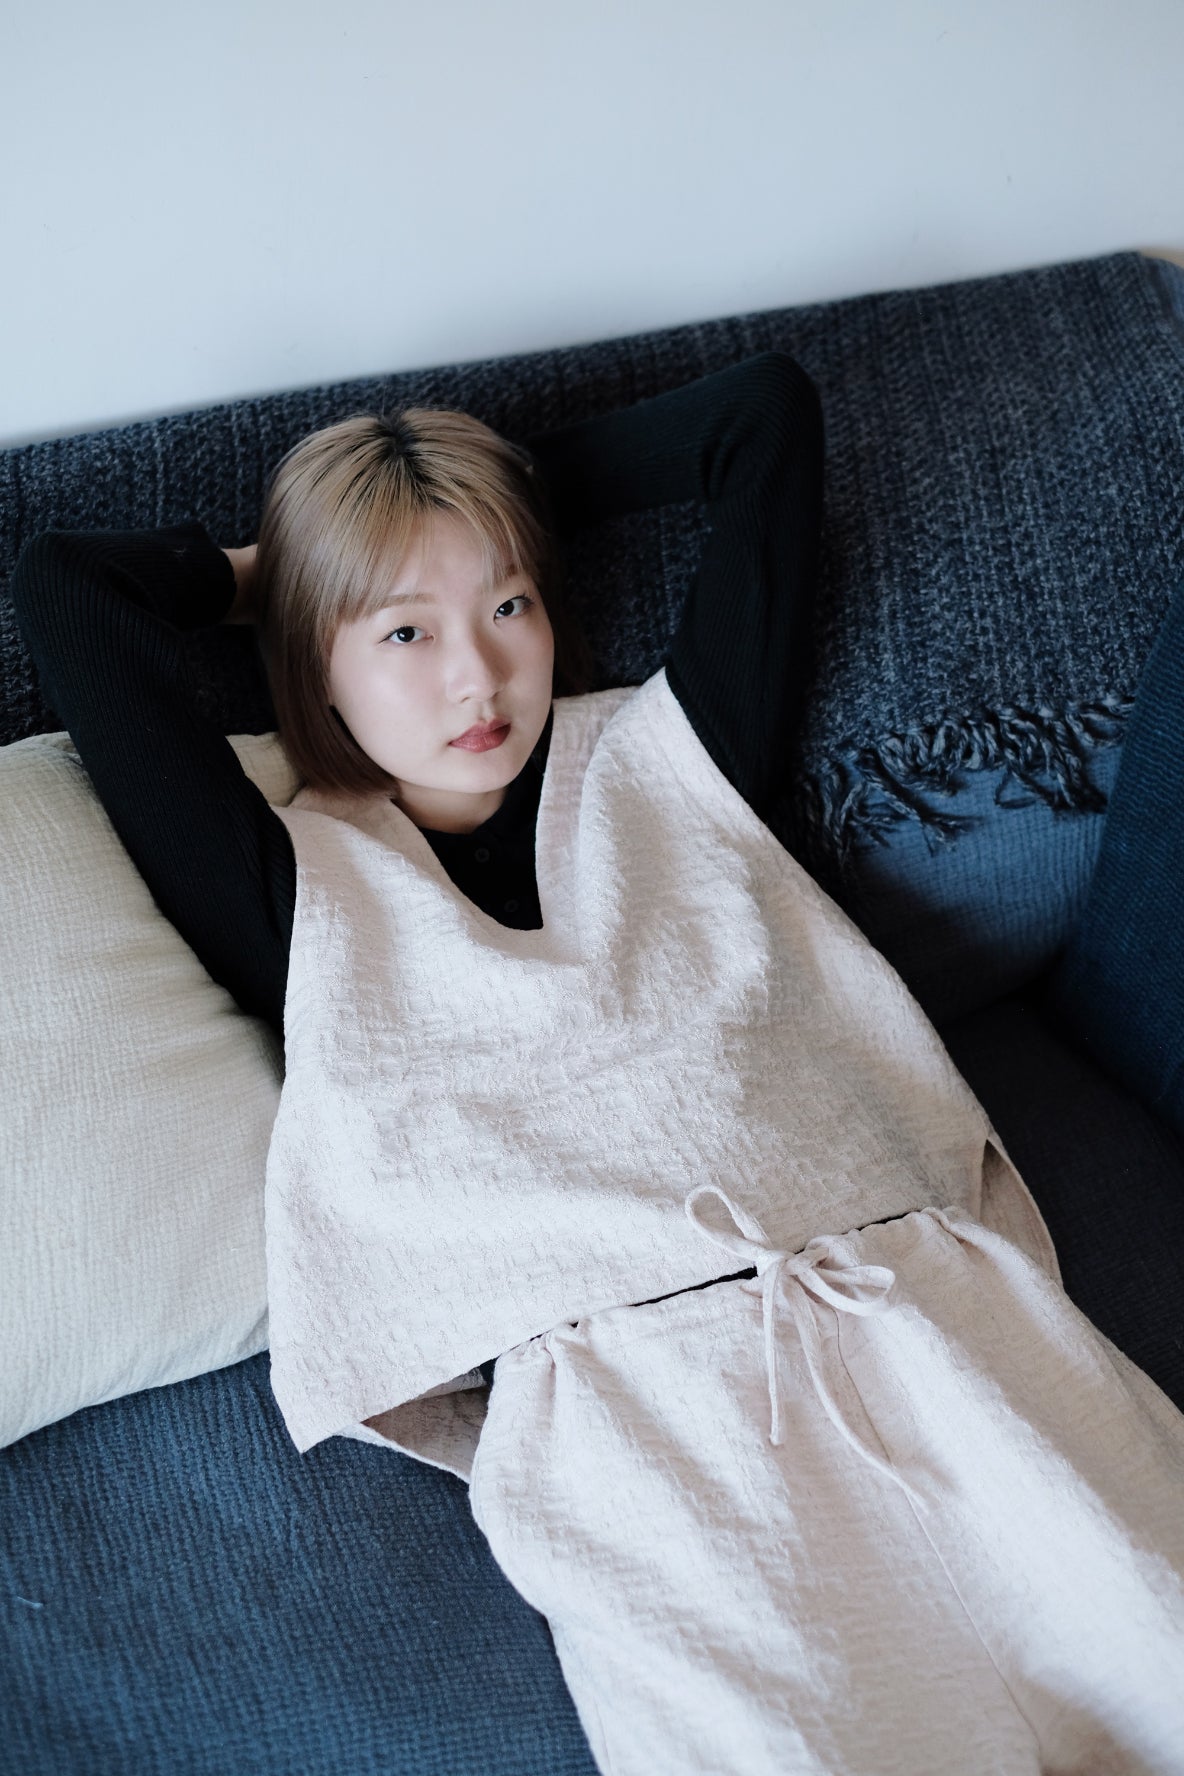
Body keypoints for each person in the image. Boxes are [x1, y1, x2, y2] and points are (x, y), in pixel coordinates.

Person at [13, 353, 1184, 1776]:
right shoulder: (288, 888)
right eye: (403, 632)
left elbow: (762, 418)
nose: (479, 672)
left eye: (509, 605)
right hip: (637, 1423)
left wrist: (475, 515)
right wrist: (302, 561)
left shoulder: (676, 753)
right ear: (312, 656)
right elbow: (70, 588)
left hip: (917, 1311)